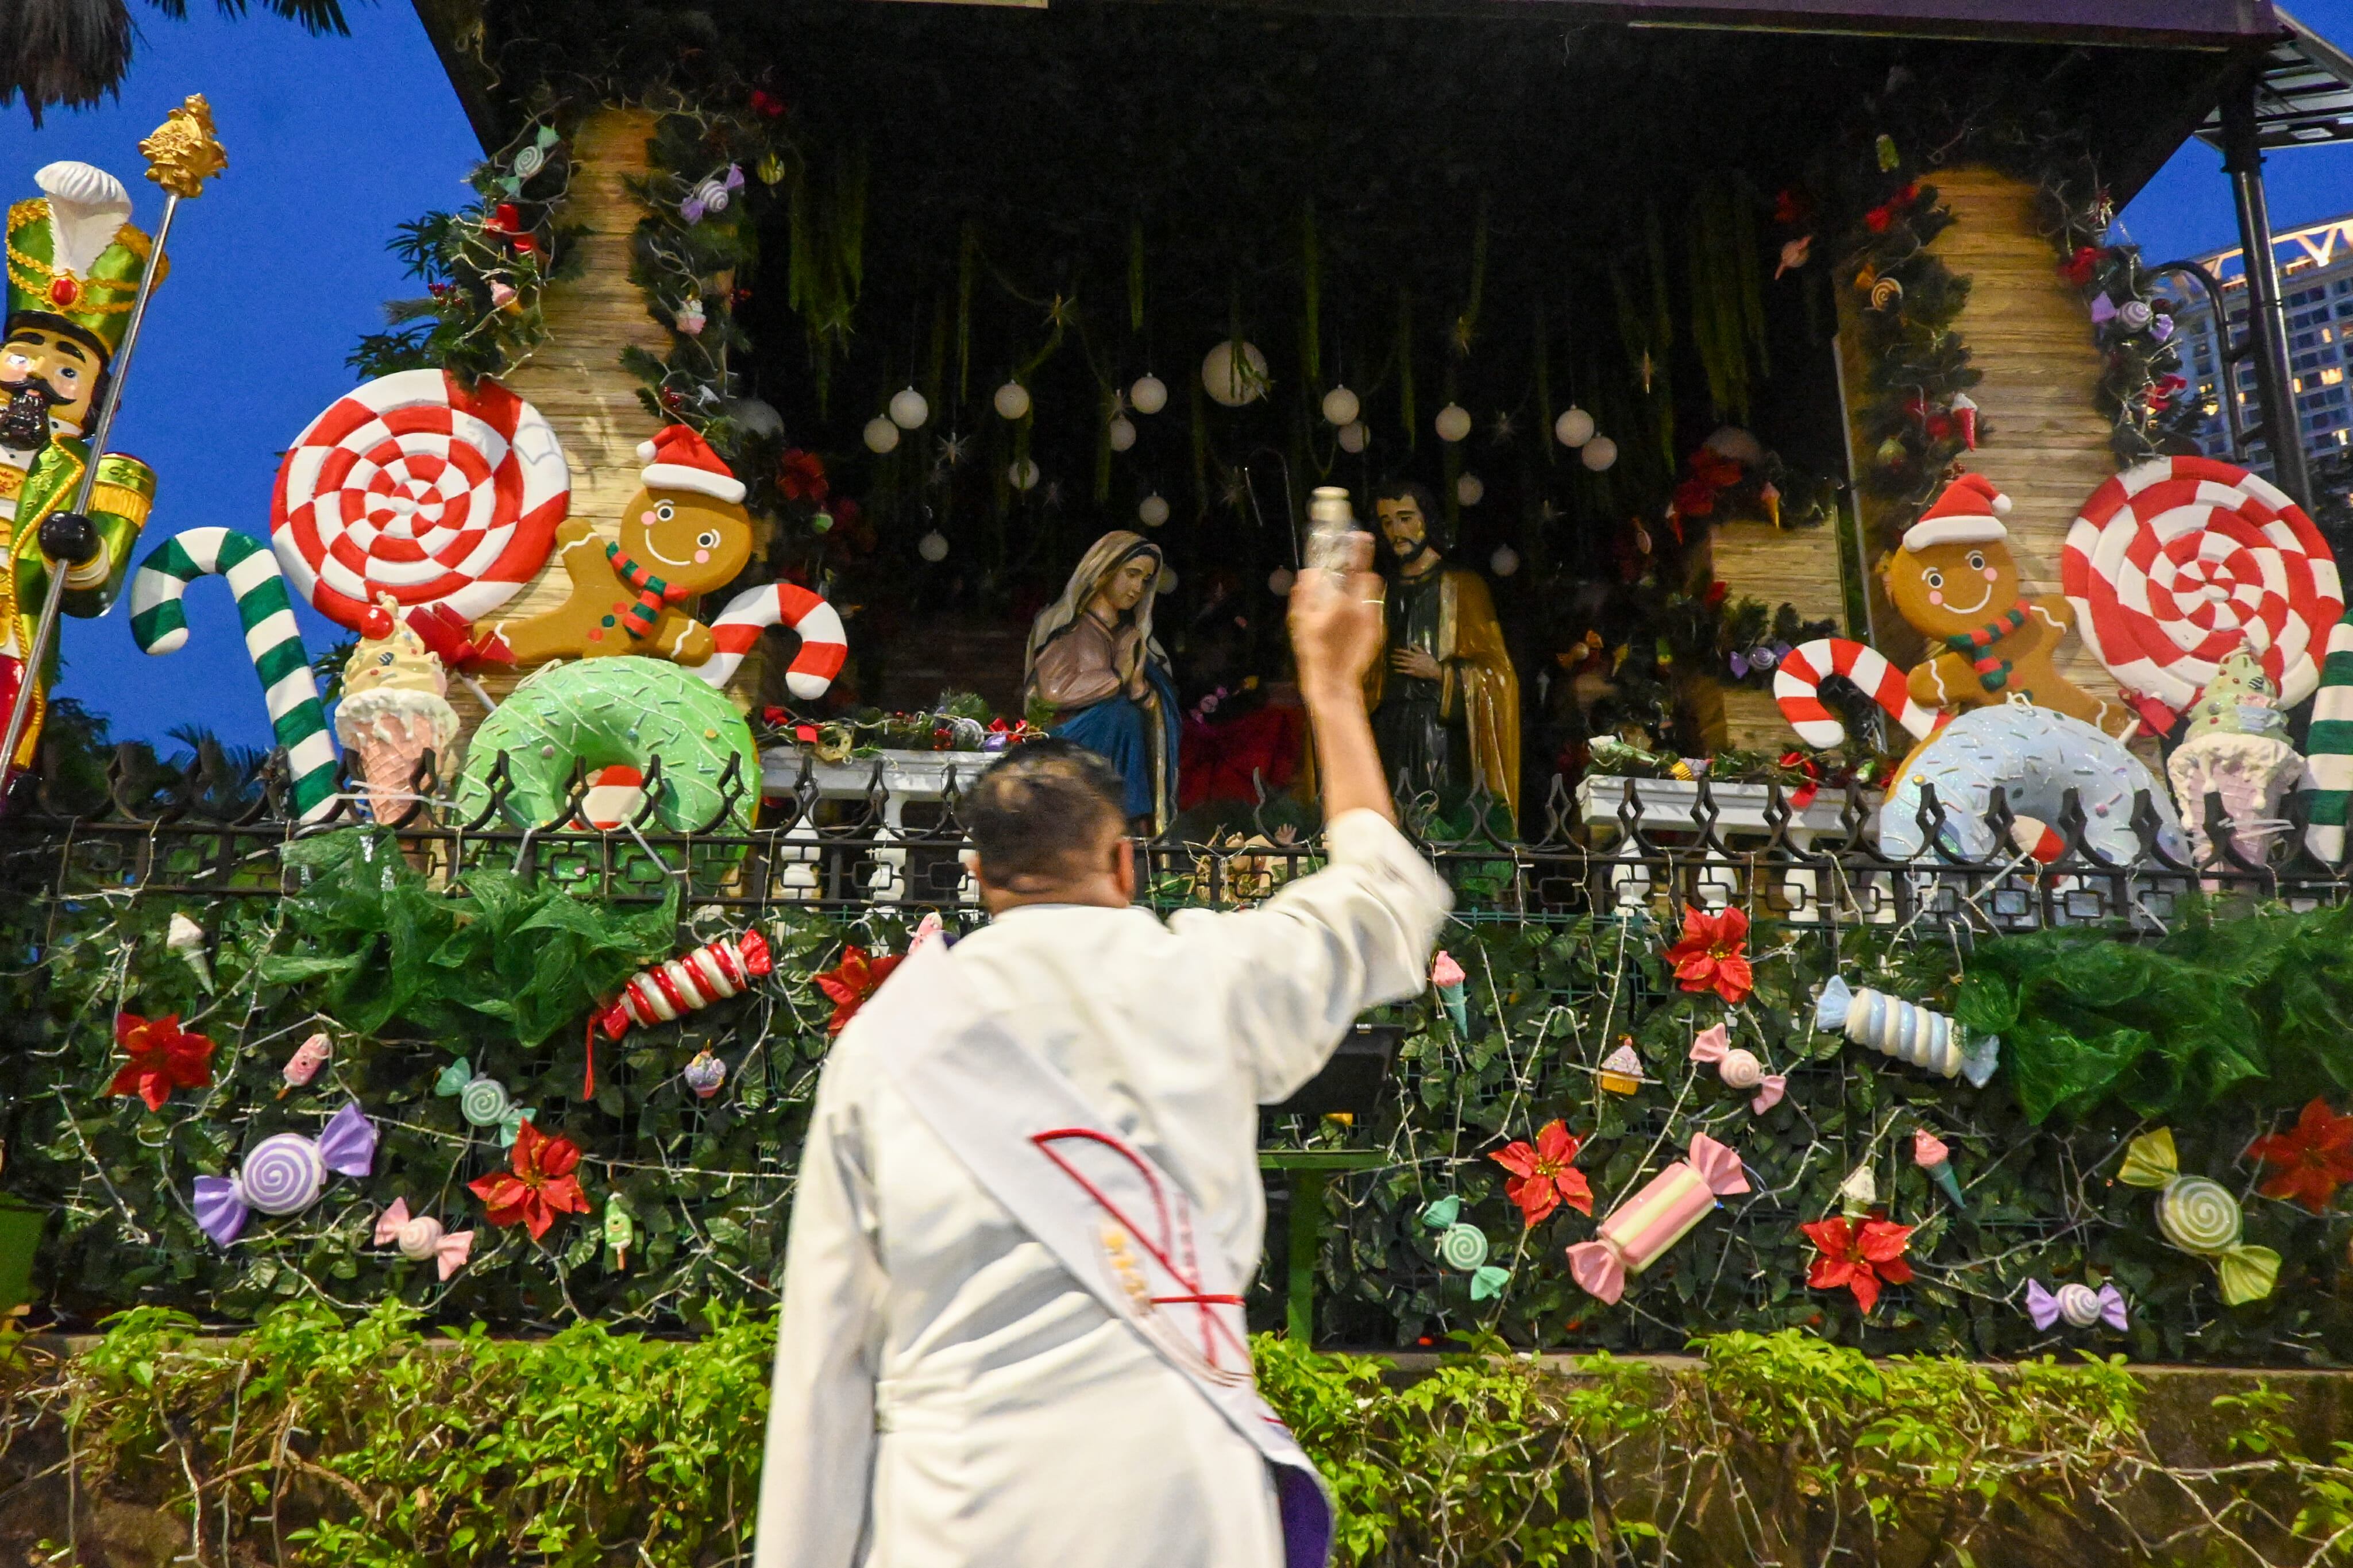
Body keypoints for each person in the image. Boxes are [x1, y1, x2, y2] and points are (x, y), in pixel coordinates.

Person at [754, 530, 1449, 1568]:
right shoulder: (1206, 980)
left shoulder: (889, 1043)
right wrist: (1333, 688)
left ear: (981, 881)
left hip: (959, 1518)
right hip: (1179, 1510)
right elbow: (1386, 899)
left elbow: (822, 1369)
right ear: (1126, 861)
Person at [2, 160, 164, 787]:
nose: (39, 375)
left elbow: (93, 592)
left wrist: (78, 549)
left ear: (99, 398)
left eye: (68, 370)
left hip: (7, 657)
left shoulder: (104, 476)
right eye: (23, 353)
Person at [1363, 479, 1521, 829]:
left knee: (1437, 830)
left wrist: (1441, 673)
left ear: (1427, 520)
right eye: (1387, 522)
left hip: (1440, 733)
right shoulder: (1378, 591)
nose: (1397, 531)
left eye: (1405, 518)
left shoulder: (1464, 587)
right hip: (1386, 727)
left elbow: (1499, 674)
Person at [1024, 530, 1181, 832]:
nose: (1138, 588)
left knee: (1127, 714)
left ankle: (1129, 818)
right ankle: (1127, 813)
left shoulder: (1134, 640)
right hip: (1069, 748)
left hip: (1118, 756)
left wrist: (1138, 689)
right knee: (1119, 715)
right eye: (1132, 574)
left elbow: (1155, 709)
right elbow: (1050, 692)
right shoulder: (1069, 629)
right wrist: (1117, 678)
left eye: (1145, 580)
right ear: (1104, 573)